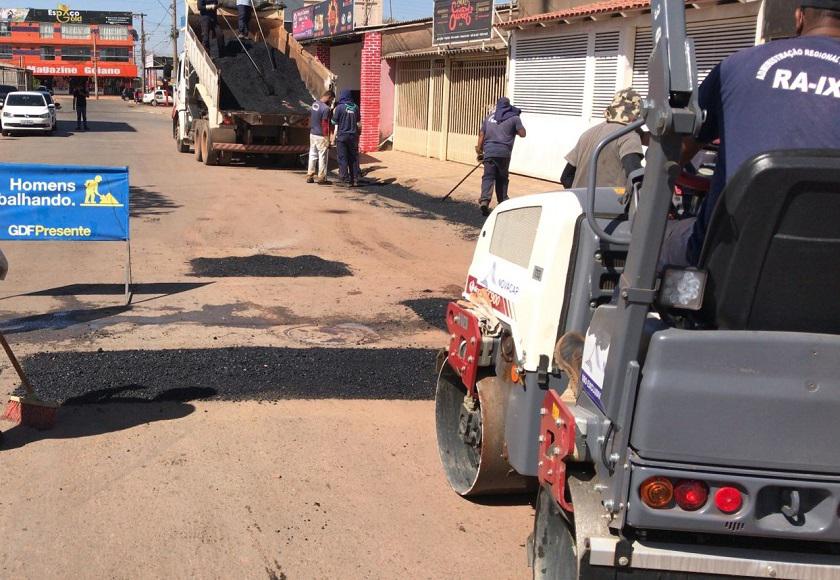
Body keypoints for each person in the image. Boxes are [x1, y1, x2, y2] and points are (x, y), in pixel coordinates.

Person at [661, 0, 840, 267]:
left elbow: (676, 151)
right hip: (827, 267)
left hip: (728, 260)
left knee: (654, 245)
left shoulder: (737, 65)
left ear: (799, 17)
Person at [561, 88, 644, 191]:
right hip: (608, 206)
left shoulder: (588, 134)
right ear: (637, 112)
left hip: (579, 204)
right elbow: (636, 177)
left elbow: (565, 178)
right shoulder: (629, 136)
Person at [475, 97, 526, 216]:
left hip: (489, 152)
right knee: (502, 178)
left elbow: (481, 134)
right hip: (504, 153)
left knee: (488, 176)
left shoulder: (489, 118)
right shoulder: (514, 118)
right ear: (508, 106)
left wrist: (480, 151)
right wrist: (516, 129)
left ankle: (484, 201)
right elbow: (523, 134)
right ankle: (502, 201)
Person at [331, 89, 362, 187]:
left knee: (342, 157)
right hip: (353, 136)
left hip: (342, 136)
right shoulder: (356, 107)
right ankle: (355, 179)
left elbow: (333, 122)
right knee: (353, 158)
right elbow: (358, 122)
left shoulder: (339, 107)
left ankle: (345, 179)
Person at [307, 90, 335, 185]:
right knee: (322, 156)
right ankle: (321, 178)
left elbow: (311, 118)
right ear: (329, 97)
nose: (331, 102)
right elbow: (325, 124)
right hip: (320, 135)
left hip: (312, 133)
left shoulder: (314, 104)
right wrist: (327, 138)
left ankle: (310, 176)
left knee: (312, 155)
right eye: (331, 100)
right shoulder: (326, 108)